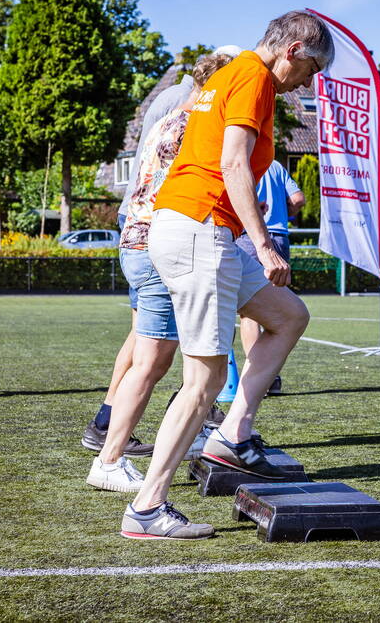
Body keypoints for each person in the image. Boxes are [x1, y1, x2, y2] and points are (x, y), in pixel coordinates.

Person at [120, 10, 333, 540]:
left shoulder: (233, 72)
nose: (308, 83)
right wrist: (264, 246)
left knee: (289, 315)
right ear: (294, 50)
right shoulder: (254, 77)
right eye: (312, 69)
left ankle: (232, 435)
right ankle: (147, 508)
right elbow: (234, 163)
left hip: (198, 227)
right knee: (205, 380)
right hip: (199, 229)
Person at [82, 44, 244, 458]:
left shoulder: (169, 115)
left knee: (149, 350)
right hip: (158, 243)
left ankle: (123, 434)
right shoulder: (193, 123)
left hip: (138, 239)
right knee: (152, 361)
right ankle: (110, 453)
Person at [234, 160, 304, 395]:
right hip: (280, 237)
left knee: (249, 311)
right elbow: (298, 199)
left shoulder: (241, 158)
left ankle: (257, 380)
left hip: (250, 235)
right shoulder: (275, 165)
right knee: (277, 307)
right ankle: (270, 377)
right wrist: (285, 212)